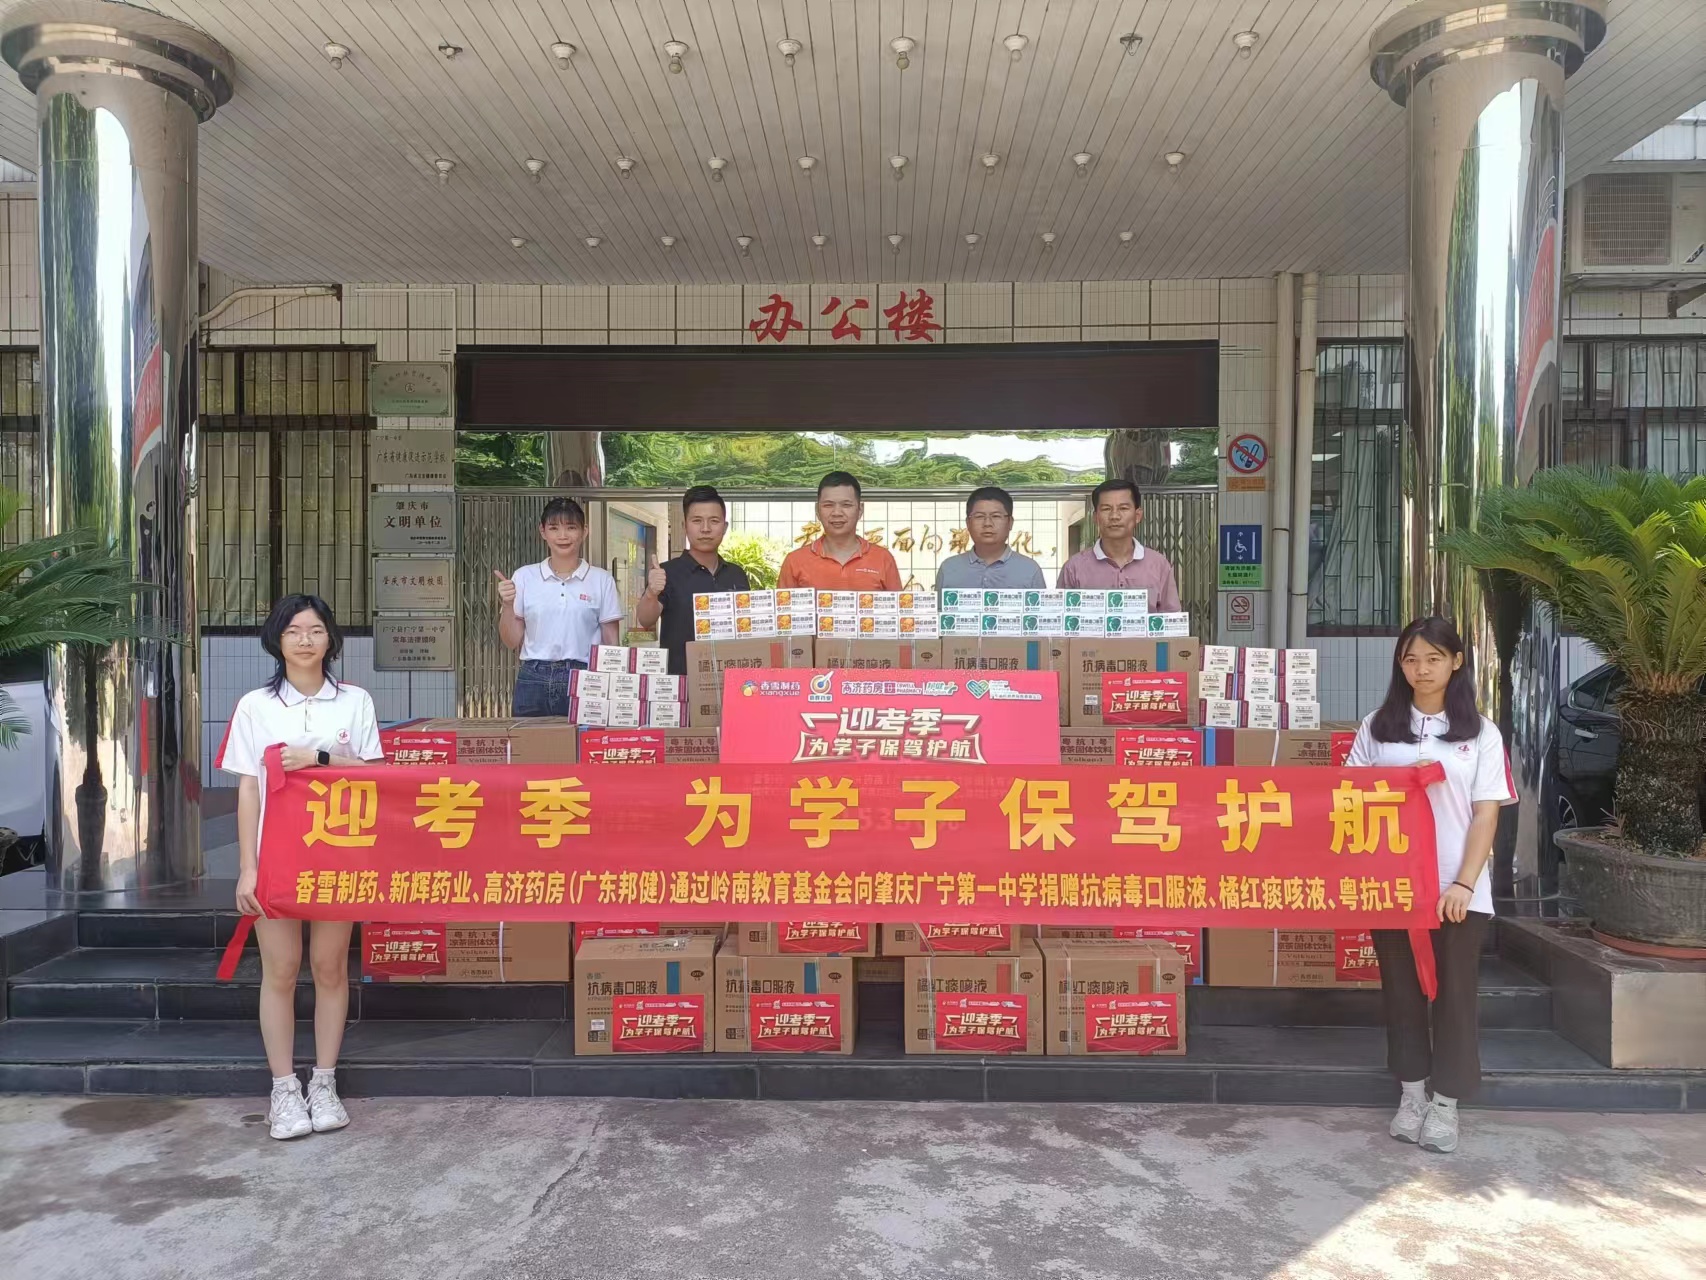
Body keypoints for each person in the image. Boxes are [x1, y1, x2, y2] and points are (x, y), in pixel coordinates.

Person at [1345, 616, 1515, 1155]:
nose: (1422, 669)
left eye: (1434, 658)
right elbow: (1349, 798)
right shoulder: (1377, 727)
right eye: (1411, 659)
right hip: (1393, 889)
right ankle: (1412, 1093)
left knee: (1455, 996)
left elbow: (1486, 813)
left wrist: (1464, 882)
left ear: (1456, 662)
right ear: (1400, 665)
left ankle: (1446, 1103)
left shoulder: (1481, 732)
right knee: (1401, 993)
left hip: (1457, 890)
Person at [223, 594, 384, 1141]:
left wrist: (318, 759)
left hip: (339, 855)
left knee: (331, 966)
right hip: (276, 858)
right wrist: (247, 868)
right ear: (277, 640)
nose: (305, 640)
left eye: (315, 630)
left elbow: (375, 775)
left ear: (331, 639)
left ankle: (325, 1082)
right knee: (282, 969)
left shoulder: (355, 701)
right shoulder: (255, 706)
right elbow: (248, 789)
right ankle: (284, 1089)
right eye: (293, 631)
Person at [495, 497, 623, 716]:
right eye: (554, 528)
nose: (562, 536)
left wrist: (615, 688)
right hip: (533, 678)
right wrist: (507, 605)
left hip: (585, 677)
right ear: (543, 531)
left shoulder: (602, 580)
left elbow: (612, 642)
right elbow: (511, 641)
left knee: (584, 738)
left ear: (584, 531)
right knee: (527, 737)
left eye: (571, 527)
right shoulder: (524, 577)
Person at [636, 485, 751, 675]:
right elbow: (645, 619)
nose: (705, 529)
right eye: (697, 521)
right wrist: (651, 593)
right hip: (681, 683)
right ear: (684, 526)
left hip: (730, 681)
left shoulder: (737, 574)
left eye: (714, 521)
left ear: (724, 527)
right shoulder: (667, 572)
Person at [1055, 479, 1182, 611]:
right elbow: (1060, 616)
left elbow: (1171, 617)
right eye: (1106, 509)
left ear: (1137, 515)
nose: (1114, 516)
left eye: (1123, 508)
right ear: (1095, 517)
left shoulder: (1159, 565)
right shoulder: (1073, 568)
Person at [777, 471, 902, 590]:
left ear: (860, 510)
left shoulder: (883, 559)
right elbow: (782, 604)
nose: (837, 513)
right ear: (817, 510)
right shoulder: (794, 561)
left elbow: (898, 604)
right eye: (828, 505)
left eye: (846, 505)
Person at [935, 486, 1047, 589]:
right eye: (979, 516)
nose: (987, 523)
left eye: (996, 516)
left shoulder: (1030, 570)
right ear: (968, 523)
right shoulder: (948, 569)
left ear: (1010, 522)